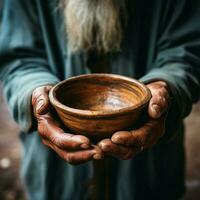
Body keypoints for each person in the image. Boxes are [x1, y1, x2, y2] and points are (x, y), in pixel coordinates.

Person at [0, 0, 200, 199]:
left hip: (149, 173)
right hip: (54, 177)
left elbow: (186, 49)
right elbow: (19, 58)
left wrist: (166, 86)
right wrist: (35, 95)